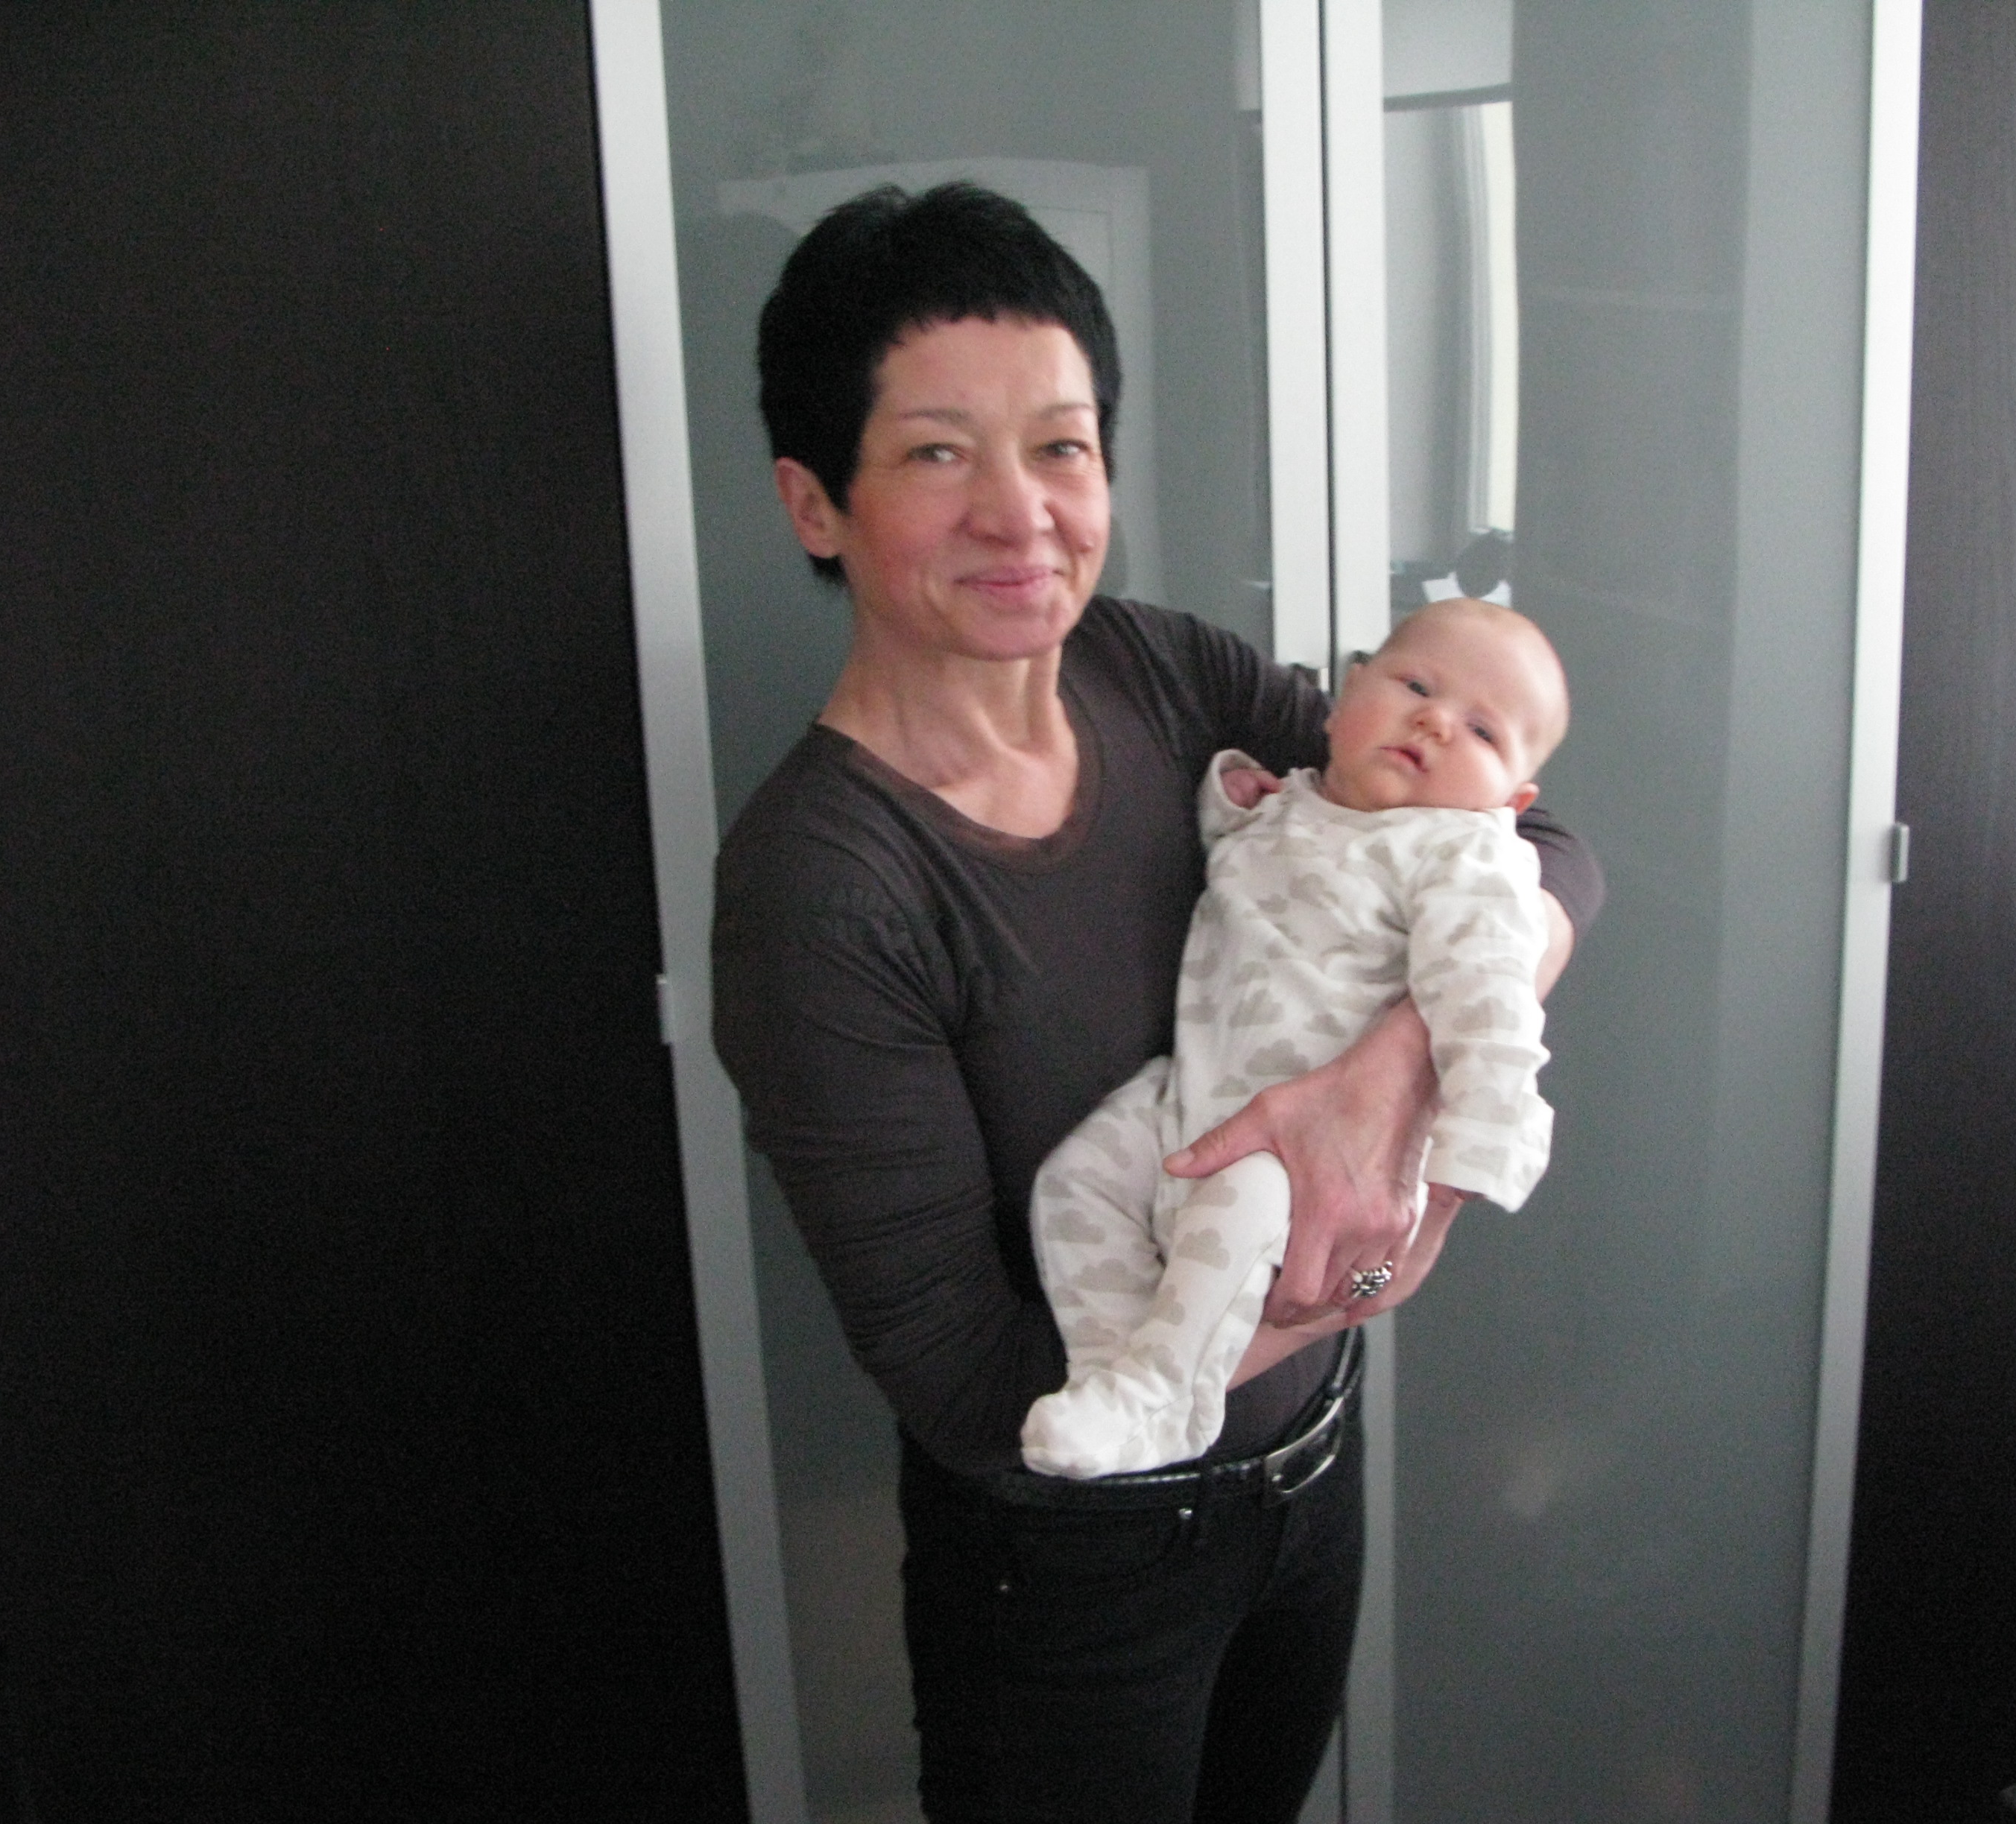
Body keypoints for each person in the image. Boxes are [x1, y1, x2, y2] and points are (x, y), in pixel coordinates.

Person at [710, 182, 1602, 1824]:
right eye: (936, 453)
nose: (1020, 514)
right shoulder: (823, 890)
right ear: (813, 502)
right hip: (1075, 1566)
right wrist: (1349, 1275)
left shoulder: (1160, 672)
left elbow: (1537, 846)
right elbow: (973, 1385)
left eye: (1060, 446)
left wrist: (1390, 1079)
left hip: (1306, 1480)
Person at [1021, 597, 1570, 1478]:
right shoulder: (1297, 802)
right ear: (1345, 695)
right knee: (1077, 1179)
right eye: (1416, 686)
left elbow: (1491, 1009)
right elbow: (1244, 877)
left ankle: (1164, 1389)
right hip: (1190, 1102)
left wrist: (1461, 1173)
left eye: (1481, 730)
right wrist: (1232, 799)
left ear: (1514, 800)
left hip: (1297, 1165)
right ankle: (1114, 1372)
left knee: (1239, 1211)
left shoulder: (1463, 856)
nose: (1435, 721)